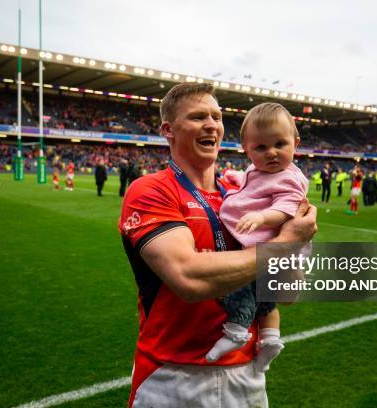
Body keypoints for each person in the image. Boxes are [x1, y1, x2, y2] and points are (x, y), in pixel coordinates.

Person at [119, 83, 317, 408]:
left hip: (247, 376)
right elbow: (189, 278)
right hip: (172, 377)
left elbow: (287, 293)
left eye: (216, 116)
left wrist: (295, 244)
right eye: (198, 117)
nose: (212, 124)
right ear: (168, 129)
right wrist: (285, 243)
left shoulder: (244, 196)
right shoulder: (152, 190)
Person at [206, 103, 310, 372]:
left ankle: (237, 330)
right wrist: (236, 176)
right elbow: (255, 182)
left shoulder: (289, 179)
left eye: (280, 144)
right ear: (247, 148)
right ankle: (271, 340)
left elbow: (286, 206)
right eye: (261, 148)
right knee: (266, 301)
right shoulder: (261, 171)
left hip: (272, 245)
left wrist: (262, 218)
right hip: (270, 248)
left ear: (295, 143)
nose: (272, 153)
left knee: (243, 286)